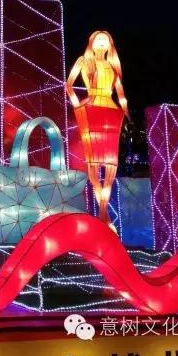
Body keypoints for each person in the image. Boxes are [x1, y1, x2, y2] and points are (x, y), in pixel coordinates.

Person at [66, 31, 129, 231]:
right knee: (93, 162)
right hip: (91, 109)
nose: (102, 43)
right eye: (99, 40)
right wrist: (77, 105)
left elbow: (120, 91)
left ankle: (103, 215)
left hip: (111, 111)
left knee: (111, 164)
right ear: (92, 43)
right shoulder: (84, 61)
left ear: (110, 45)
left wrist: (124, 108)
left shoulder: (112, 67)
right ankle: (105, 218)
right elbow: (69, 85)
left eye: (106, 40)